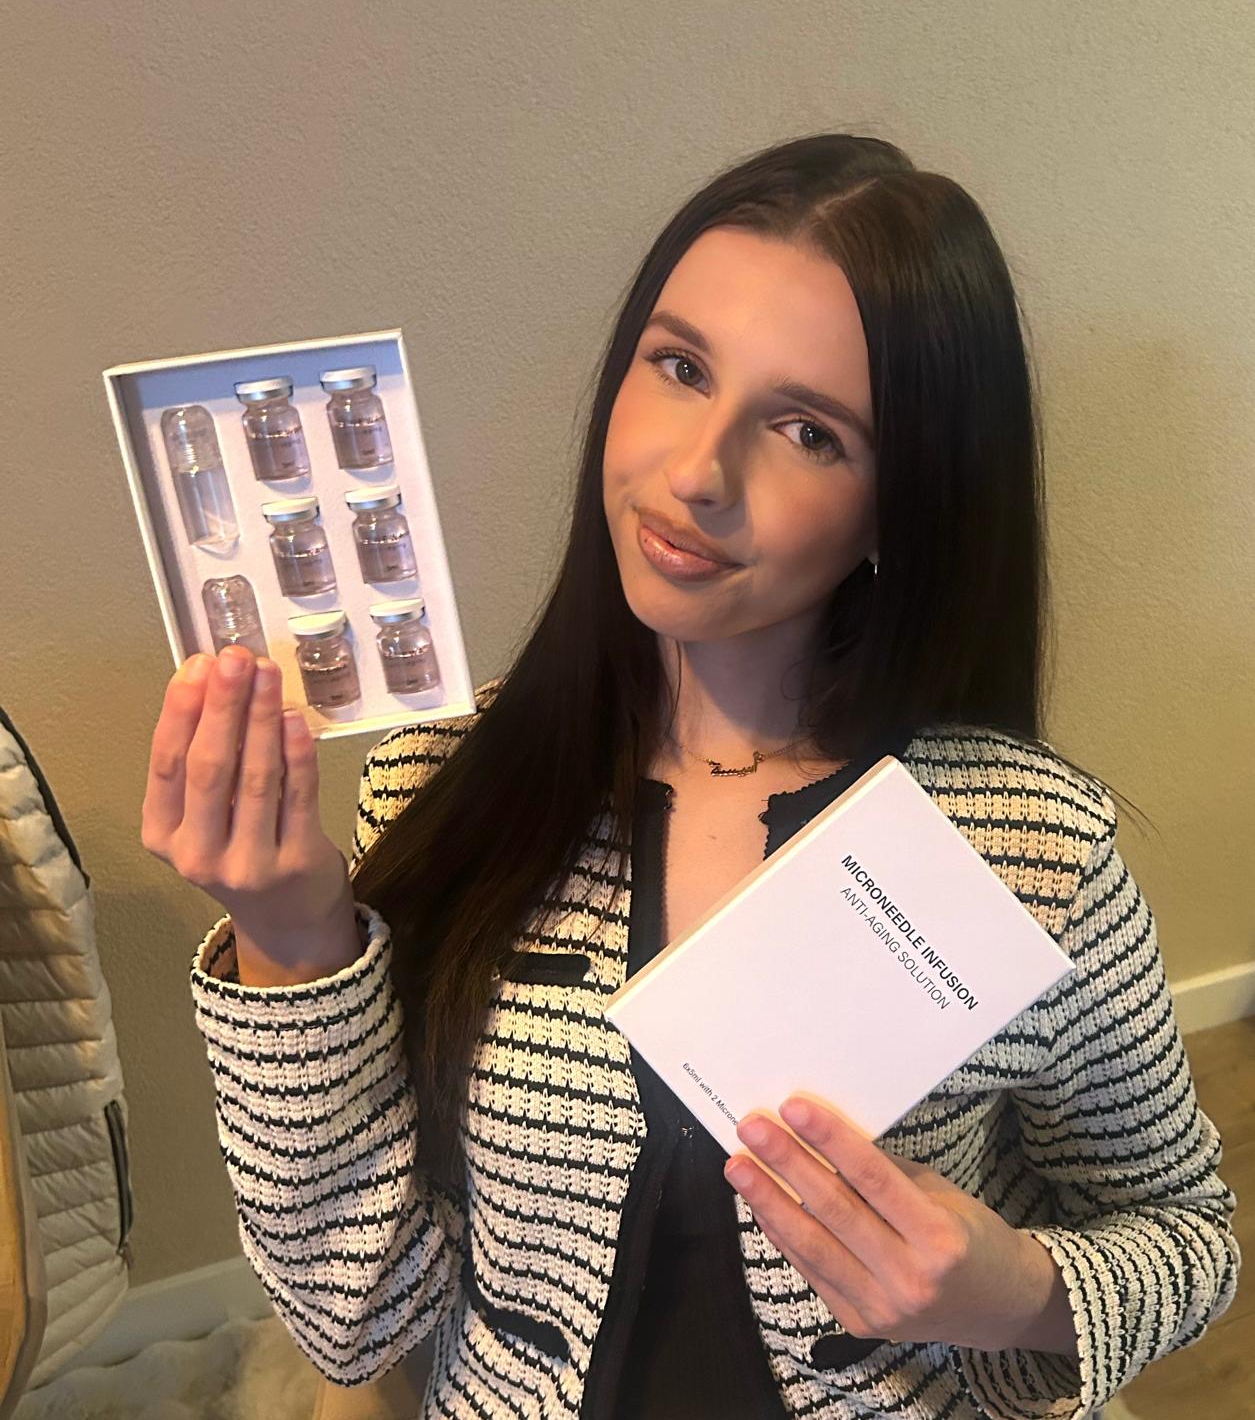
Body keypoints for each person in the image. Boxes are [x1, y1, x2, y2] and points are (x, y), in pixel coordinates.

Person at [142, 133, 1239, 1419]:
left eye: (808, 431)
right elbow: (358, 1317)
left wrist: (1011, 1289)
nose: (695, 473)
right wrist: (289, 942)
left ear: (904, 499)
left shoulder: (1023, 847)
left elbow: (1187, 1237)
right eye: (679, 368)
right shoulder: (443, 782)